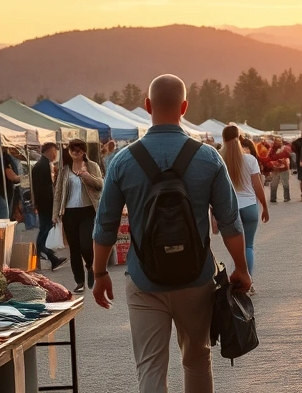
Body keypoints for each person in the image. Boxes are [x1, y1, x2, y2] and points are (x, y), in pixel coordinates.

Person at [92, 74, 250, 393]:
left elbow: (105, 224)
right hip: (197, 279)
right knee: (196, 360)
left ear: (148, 106)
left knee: (151, 367)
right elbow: (231, 222)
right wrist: (241, 268)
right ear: (184, 107)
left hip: (143, 280)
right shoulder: (208, 158)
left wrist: (99, 273)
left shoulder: (122, 161)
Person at [53, 139, 104, 293]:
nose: (76, 152)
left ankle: (90, 265)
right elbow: (58, 193)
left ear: (84, 151)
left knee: (86, 244)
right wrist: (55, 213)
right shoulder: (65, 170)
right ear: (69, 152)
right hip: (69, 213)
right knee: (74, 248)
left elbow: (100, 185)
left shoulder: (92, 166)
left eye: (79, 150)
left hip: (88, 211)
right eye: (73, 150)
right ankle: (79, 281)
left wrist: (87, 176)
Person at [222, 126, 269, 287]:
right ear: (240, 137)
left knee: (234, 249)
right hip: (249, 207)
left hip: (229, 210)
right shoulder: (250, 160)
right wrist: (265, 206)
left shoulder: (220, 159)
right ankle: (248, 280)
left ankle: (236, 278)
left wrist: (213, 213)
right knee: (248, 245)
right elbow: (258, 186)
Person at [32, 142, 66, 271]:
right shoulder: (43, 166)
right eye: (54, 152)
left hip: (43, 203)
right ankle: (46, 253)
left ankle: (46, 254)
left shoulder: (44, 165)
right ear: (49, 151)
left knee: (45, 229)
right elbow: (46, 190)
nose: (55, 155)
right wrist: (53, 206)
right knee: (45, 229)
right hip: (46, 204)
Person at [268, 136, 291, 203]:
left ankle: (287, 197)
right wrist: (276, 159)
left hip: (284, 168)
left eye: (280, 141)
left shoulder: (285, 149)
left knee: (286, 184)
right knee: (274, 184)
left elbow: (288, 156)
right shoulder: (271, 150)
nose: (279, 142)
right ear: (275, 142)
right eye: (277, 141)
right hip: (275, 169)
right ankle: (273, 198)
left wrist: (284, 159)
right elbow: (269, 158)